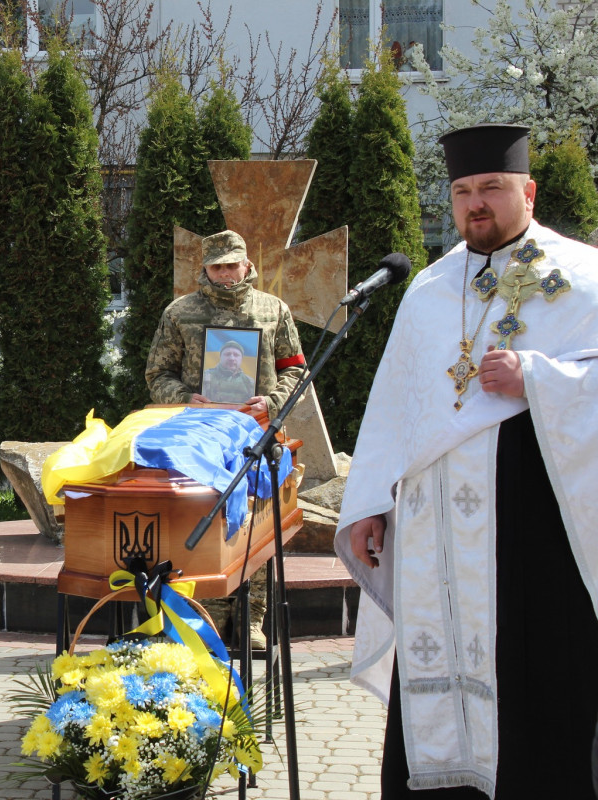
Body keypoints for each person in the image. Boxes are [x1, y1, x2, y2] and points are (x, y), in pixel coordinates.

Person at [337, 123, 598, 798]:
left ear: (528, 191)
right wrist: (372, 506)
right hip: (433, 538)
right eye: (462, 191)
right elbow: (394, 409)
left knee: (536, 679)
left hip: (537, 531)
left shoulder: (584, 278)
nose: (475, 203)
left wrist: (539, 378)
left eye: (491, 188)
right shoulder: (427, 289)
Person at [145, 228, 306, 650]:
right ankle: (209, 617)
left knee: (259, 525)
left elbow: (296, 368)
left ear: (247, 264)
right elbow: (157, 373)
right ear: (205, 269)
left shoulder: (273, 310)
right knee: (211, 525)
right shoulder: (180, 313)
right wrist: (185, 399)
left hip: (261, 435)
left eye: (232, 265)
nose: (226, 274)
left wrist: (271, 401)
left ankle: (252, 619)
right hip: (201, 441)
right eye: (217, 267)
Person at [201, 339, 256, 403]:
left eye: (236, 355)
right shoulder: (206, 376)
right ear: (220, 357)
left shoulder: (250, 382)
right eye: (227, 354)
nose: (232, 358)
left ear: (241, 359)